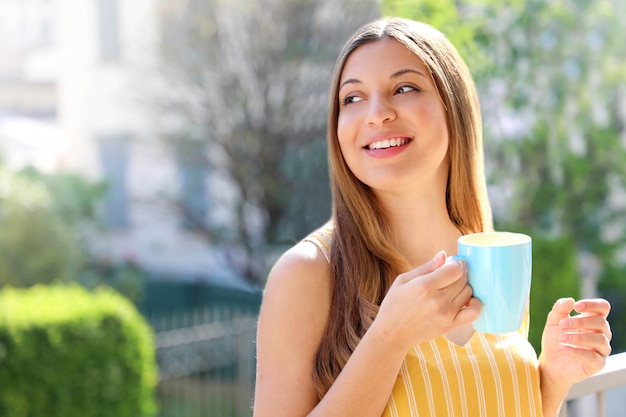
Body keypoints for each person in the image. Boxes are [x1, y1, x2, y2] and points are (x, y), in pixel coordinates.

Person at [253, 17, 612, 417]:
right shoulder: (308, 273)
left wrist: (552, 379)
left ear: (453, 107)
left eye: (404, 88)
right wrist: (389, 337)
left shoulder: (492, 256)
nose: (376, 114)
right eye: (352, 98)